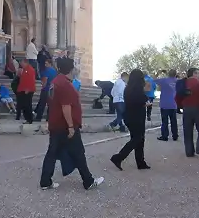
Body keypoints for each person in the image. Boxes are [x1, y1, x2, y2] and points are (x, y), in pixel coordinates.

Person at [40, 57, 105, 190]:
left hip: (56, 123)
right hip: (65, 125)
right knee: (78, 152)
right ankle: (88, 181)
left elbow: (52, 103)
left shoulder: (55, 82)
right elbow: (66, 106)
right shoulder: (65, 84)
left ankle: (45, 181)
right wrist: (70, 126)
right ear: (71, 69)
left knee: (51, 153)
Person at [110, 69, 151, 171]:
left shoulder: (128, 88)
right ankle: (118, 157)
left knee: (138, 139)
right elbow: (144, 99)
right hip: (137, 117)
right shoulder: (137, 89)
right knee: (137, 139)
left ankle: (140, 162)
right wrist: (146, 102)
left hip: (129, 117)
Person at [176, 67, 199, 158]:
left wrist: (180, 106)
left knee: (187, 131)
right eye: (198, 73)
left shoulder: (183, 83)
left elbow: (177, 96)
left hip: (186, 109)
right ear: (194, 74)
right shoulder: (198, 83)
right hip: (197, 109)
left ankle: (189, 151)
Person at [155, 69, 179, 141]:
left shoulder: (164, 80)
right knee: (174, 121)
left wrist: (158, 73)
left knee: (164, 121)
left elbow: (154, 79)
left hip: (164, 104)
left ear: (168, 74)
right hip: (174, 103)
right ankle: (175, 136)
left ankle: (165, 136)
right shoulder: (178, 81)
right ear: (175, 74)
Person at [16, 58, 36, 124]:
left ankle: (29, 119)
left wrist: (28, 89)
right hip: (23, 89)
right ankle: (27, 118)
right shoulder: (24, 69)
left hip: (27, 90)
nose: (21, 64)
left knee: (27, 105)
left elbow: (31, 80)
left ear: (25, 62)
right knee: (24, 105)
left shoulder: (30, 69)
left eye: (21, 63)